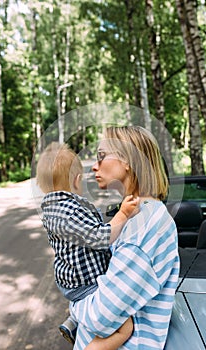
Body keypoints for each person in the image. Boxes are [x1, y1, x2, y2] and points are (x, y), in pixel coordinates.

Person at [69, 125, 180, 349]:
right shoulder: (137, 216)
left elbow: (101, 316)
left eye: (101, 157)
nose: (94, 166)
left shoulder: (146, 225)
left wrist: (74, 301)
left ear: (127, 160)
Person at [36, 142, 139, 349]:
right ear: (77, 180)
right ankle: (96, 346)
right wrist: (123, 214)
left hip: (70, 280)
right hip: (85, 282)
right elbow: (100, 237)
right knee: (126, 326)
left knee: (83, 303)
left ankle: (73, 321)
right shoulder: (71, 211)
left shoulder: (50, 208)